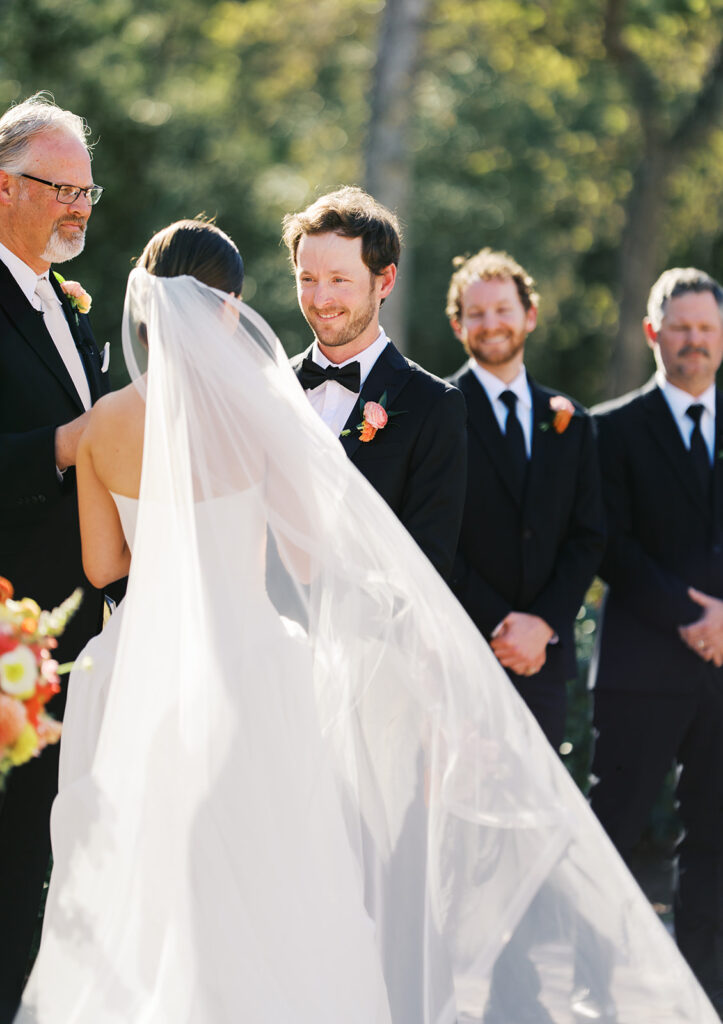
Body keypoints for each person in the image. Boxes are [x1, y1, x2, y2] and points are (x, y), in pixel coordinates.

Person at [17, 222, 719, 1023]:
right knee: (269, 865)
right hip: (248, 657)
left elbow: (103, 567)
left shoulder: (104, 422)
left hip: (140, 660)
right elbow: (305, 556)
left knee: (147, 861)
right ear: (226, 309)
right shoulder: (257, 412)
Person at [0, 93, 112, 1023]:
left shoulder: (65, 303)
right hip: (11, 638)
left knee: (49, 859)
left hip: (77, 640)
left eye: (87, 192)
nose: (79, 208)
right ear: (4, 187)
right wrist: (65, 444)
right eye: (60, 189)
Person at [590, 266, 723, 1017]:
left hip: (721, 673)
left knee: (715, 843)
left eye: (705, 329)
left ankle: (704, 997)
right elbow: (608, 543)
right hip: (640, 670)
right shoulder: (609, 429)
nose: (693, 342)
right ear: (653, 333)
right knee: (610, 836)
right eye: (680, 328)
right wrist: (690, 615)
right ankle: (595, 989)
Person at [446, 247, 604, 750]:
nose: (491, 324)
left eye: (503, 310)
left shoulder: (571, 420)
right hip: (461, 654)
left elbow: (588, 536)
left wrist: (543, 624)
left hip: (543, 661)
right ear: (458, 325)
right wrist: (498, 623)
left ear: (529, 315)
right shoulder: (438, 414)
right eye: (476, 313)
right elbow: (432, 534)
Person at [282, 186, 466, 581]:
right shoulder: (269, 388)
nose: (320, 299)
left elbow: (429, 562)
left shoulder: (433, 404)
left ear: (384, 281)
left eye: (339, 279)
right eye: (308, 278)